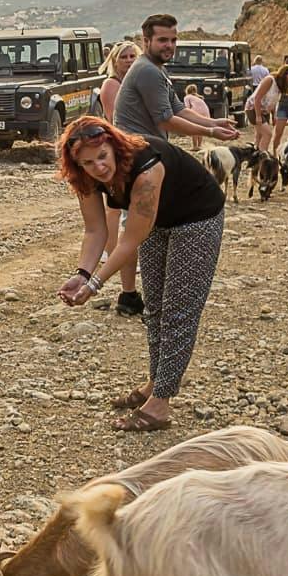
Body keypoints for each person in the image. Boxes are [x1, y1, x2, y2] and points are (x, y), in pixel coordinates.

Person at [55, 116, 227, 432]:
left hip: (197, 217)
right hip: (158, 222)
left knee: (179, 310)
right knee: (156, 307)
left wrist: (94, 285)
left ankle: (161, 404)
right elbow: (95, 230)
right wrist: (81, 273)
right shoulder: (86, 177)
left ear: (113, 145)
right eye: (89, 163)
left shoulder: (145, 168)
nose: (99, 168)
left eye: (103, 157)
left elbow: (129, 241)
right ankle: (155, 382)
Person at [113, 13, 240, 146]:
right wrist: (210, 131)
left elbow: (178, 108)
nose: (170, 45)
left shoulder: (159, 69)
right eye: (162, 40)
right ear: (146, 41)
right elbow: (165, 120)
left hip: (150, 145)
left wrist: (213, 122)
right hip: (138, 148)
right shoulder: (147, 70)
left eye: (173, 40)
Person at [94, 39, 143, 315]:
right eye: (123, 56)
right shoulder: (112, 85)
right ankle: (118, 265)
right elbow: (116, 121)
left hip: (132, 152)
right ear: (114, 59)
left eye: (131, 55)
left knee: (119, 213)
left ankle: (118, 261)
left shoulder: (134, 82)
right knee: (121, 216)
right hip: (123, 154)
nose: (127, 60)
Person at [181, 84, 210, 151]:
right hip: (205, 113)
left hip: (196, 112)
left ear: (187, 91)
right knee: (200, 129)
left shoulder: (187, 97)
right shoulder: (199, 97)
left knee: (194, 129)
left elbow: (187, 107)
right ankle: (199, 146)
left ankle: (195, 146)